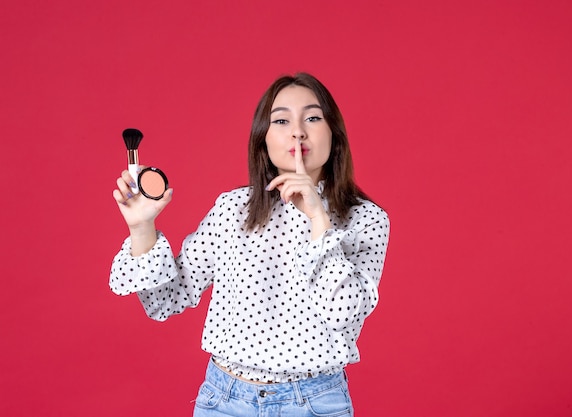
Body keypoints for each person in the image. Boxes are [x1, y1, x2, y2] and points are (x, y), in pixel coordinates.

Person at [109, 72, 390, 417]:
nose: (297, 130)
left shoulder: (366, 219)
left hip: (316, 404)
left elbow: (343, 313)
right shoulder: (233, 210)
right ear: (263, 140)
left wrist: (319, 220)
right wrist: (142, 227)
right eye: (281, 120)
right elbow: (164, 301)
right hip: (225, 401)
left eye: (313, 118)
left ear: (335, 135)